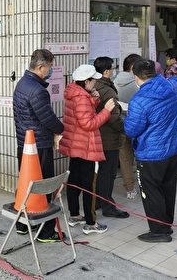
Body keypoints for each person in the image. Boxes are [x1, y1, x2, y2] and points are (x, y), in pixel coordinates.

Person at [124, 59, 177, 243]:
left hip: (151, 152)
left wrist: (123, 117)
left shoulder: (139, 100)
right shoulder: (170, 86)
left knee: (151, 191)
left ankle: (158, 231)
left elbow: (132, 130)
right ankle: (166, 224)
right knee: (168, 187)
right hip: (172, 148)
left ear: (136, 76)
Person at [12, 49, 65, 242]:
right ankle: (46, 231)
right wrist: (61, 129)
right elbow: (47, 118)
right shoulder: (37, 90)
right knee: (43, 187)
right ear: (41, 67)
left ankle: (22, 224)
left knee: (26, 183)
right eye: (49, 67)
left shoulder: (22, 84)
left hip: (24, 144)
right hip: (39, 145)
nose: (50, 71)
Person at [59, 64, 115, 235]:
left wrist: (95, 98)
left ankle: (74, 215)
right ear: (86, 81)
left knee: (74, 180)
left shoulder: (74, 93)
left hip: (75, 144)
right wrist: (106, 111)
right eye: (93, 81)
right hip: (85, 146)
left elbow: (82, 114)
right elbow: (89, 123)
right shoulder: (82, 97)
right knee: (88, 184)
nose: (96, 83)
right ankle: (91, 223)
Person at [93, 57, 129, 219]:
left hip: (98, 136)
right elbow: (114, 117)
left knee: (101, 172)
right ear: (107, 71)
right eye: (112, 69)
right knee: (108, 173)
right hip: (109, 138)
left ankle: (99, 201)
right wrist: (126, 129)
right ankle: (108, 205)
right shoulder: (107, 90)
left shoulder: (95, 86)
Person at [114, 54, 142, 199]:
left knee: (124, 157)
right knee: (141, 155)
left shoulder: (114, 82)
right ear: (133, 68)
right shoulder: (138, 85)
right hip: (138, 126)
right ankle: (144, 183)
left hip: (120, 124)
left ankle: (130, 188)